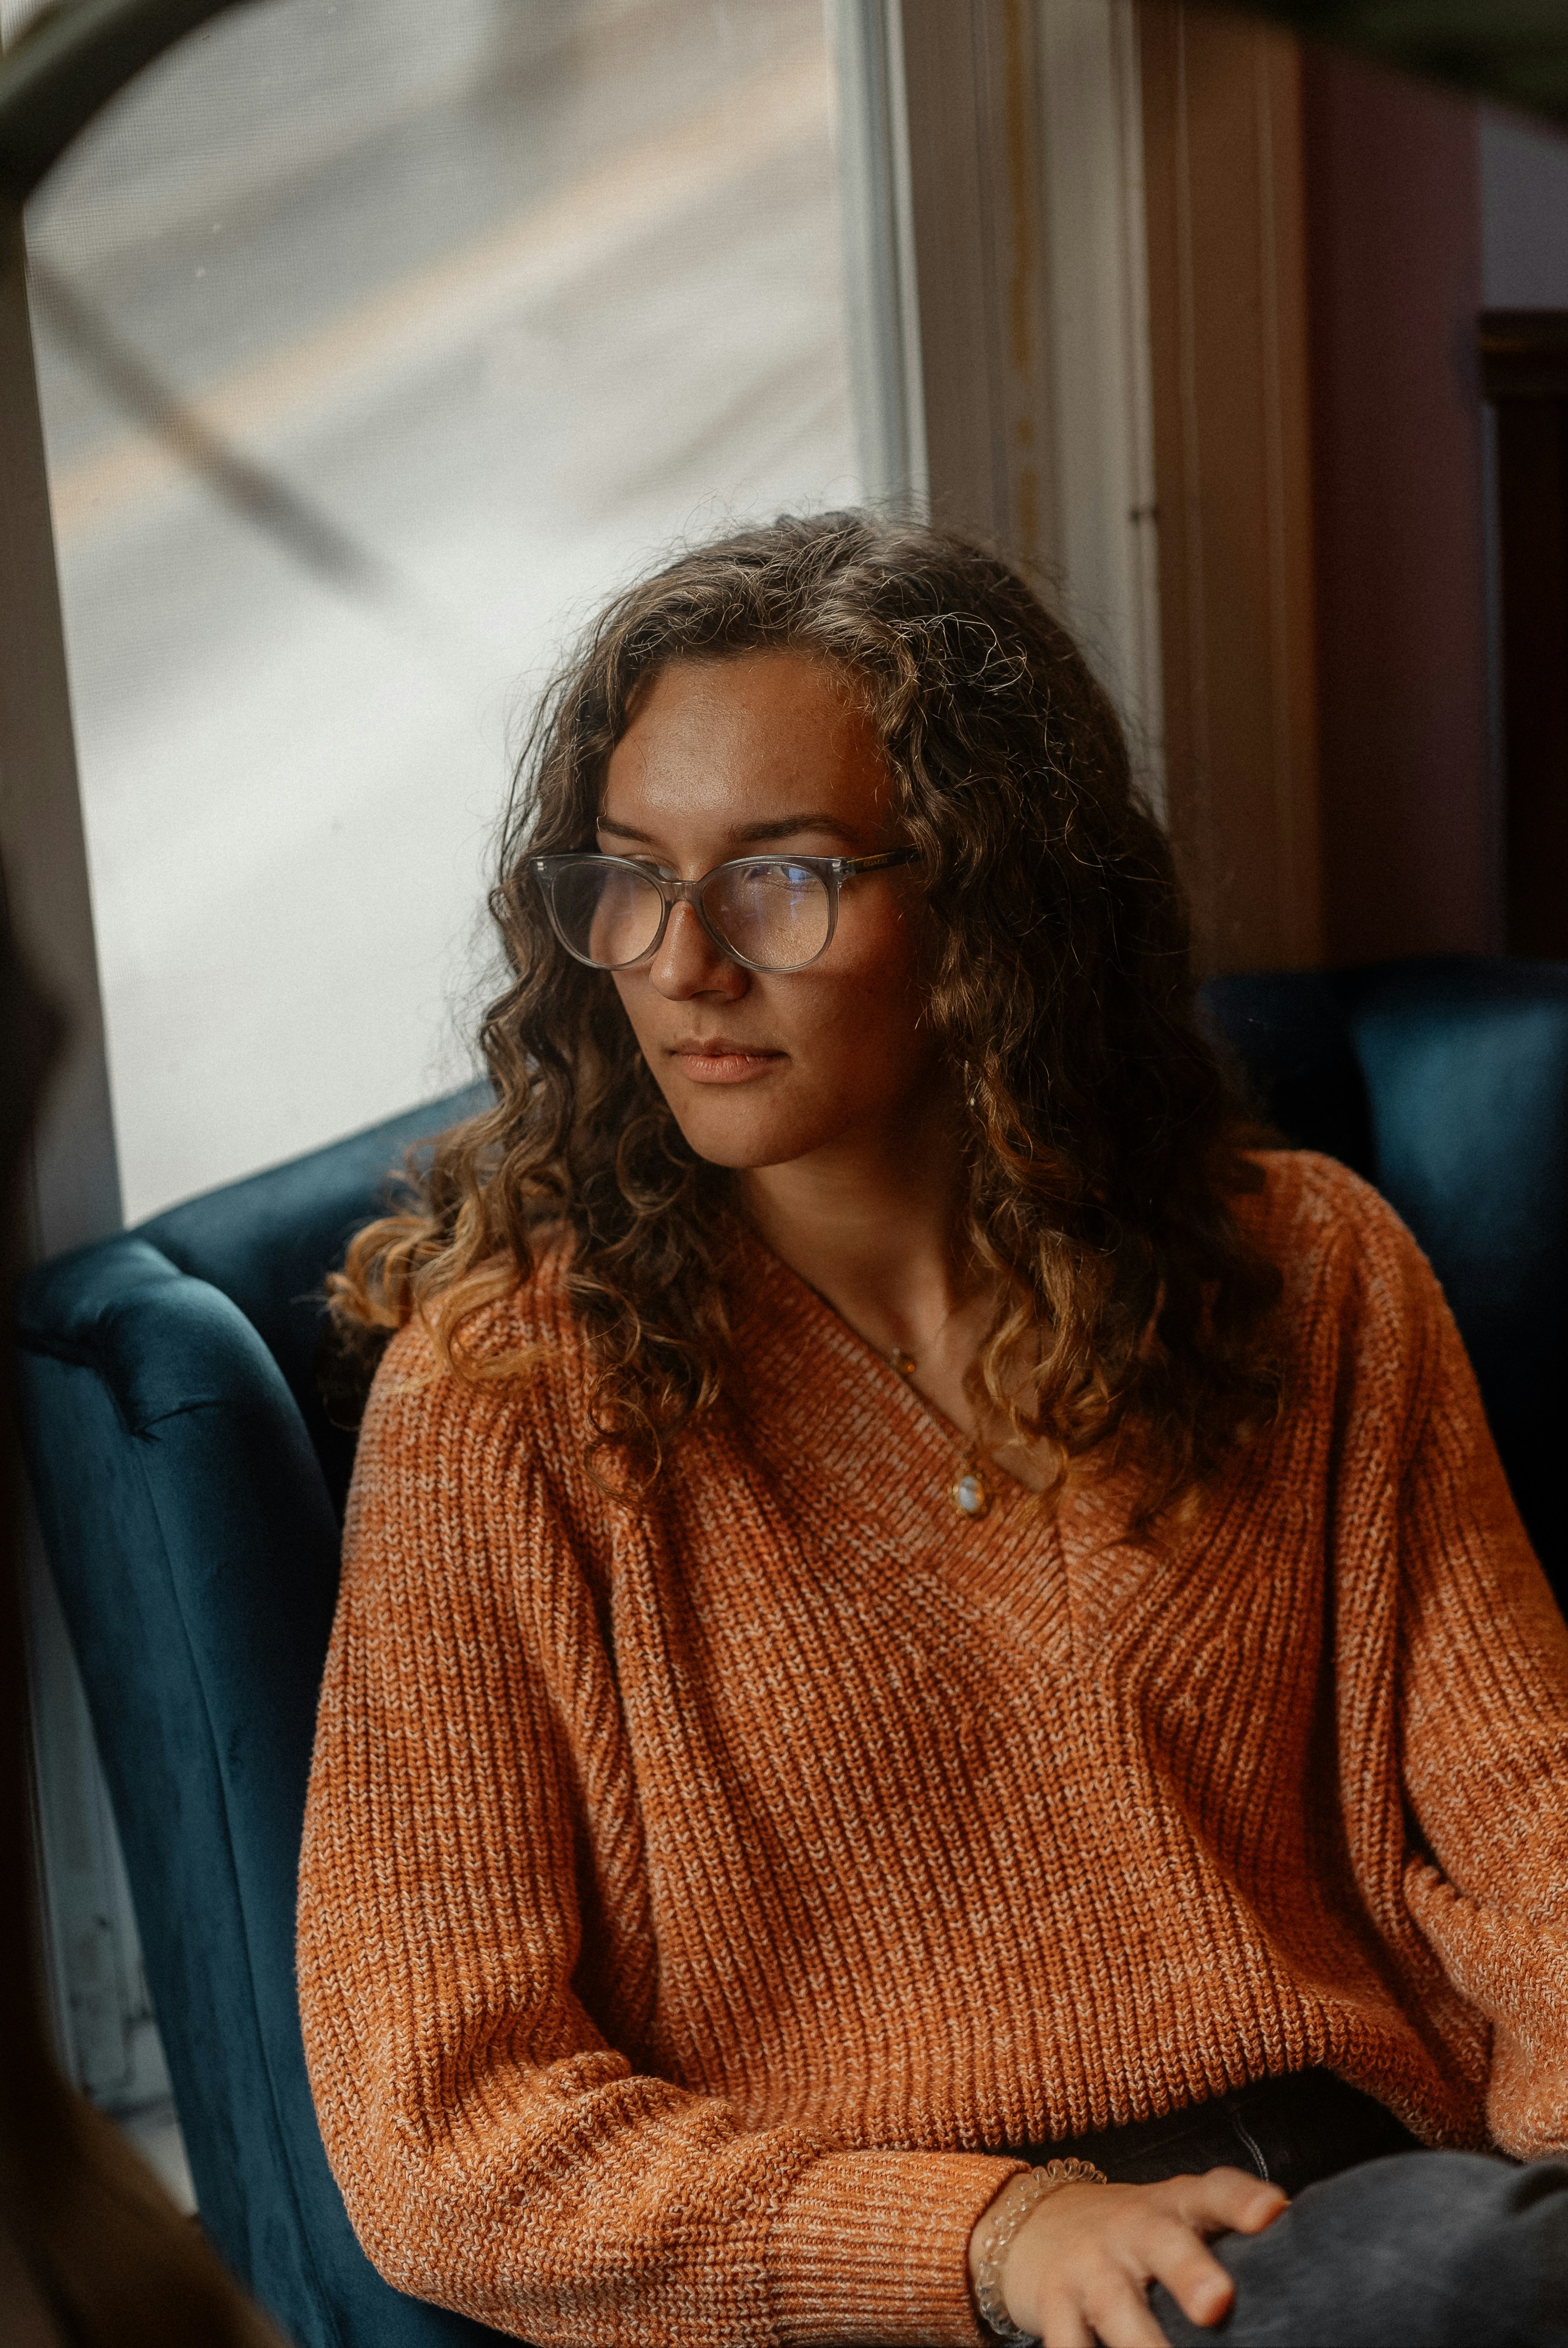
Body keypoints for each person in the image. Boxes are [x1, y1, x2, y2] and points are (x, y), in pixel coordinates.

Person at [297, 513, 1568, 2348]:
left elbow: (1534, 1824)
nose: (679, 965)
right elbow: (443, 2134)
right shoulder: (504, 1403)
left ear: (990, 900)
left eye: (782, 879)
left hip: (1371, 2219)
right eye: (630, 875)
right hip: (920, 2298)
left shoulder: (1307, 1275)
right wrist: (986, 2236)